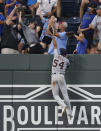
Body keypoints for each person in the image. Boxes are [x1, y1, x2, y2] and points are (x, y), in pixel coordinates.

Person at [51, 28, 72, 119]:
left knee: (56, 95)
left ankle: (63, 106)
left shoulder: (56, 55)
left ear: (60, 53)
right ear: (65, 54)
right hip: (61, 76)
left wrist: (53, 37)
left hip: (54, 76)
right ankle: (70, 112)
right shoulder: (67, 60)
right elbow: (68, 65)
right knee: (65, 95)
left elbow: (55, 46)